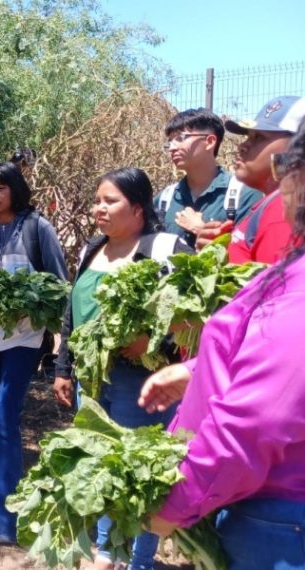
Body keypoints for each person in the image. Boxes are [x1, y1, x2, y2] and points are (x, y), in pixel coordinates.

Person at [142, 119, 305, 570]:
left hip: (281, 522)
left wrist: (175, 502)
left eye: (283, 162)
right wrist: (199, 371)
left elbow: (258, 418)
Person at [52, 168, 191, 570]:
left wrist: (154, 343)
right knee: (102, 467)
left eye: (109, 201)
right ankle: (106, 552)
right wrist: (64, 366)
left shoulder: (166, 247)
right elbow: (70, 312)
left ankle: (140, 561)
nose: (99, 208)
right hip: (93, 380)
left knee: (139, 471)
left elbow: (197, 315)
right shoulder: (91, 249)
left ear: (137, 207)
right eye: (97, 200)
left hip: (142, 382)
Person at [0, 162, 68, 544]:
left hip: (23, 340)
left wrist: (32, 307)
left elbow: (59, 287)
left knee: (5, 419)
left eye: (0, 187)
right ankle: (3, 498)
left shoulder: (38, 227)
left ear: (15, 189)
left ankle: (1, 522)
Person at [155, 108, 262, 250]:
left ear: (210, 141)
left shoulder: (244, 195)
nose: (172, 148)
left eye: (181, 138)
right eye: (170, 141)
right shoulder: (164, 199)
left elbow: (252, 254)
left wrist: (201, 229)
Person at [218, 96, 305, 264]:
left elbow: (279, 288)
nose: (242, 146)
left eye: (259, 137)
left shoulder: (283, 212)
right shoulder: (271, 203)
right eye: (248, 137)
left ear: (298, 147)